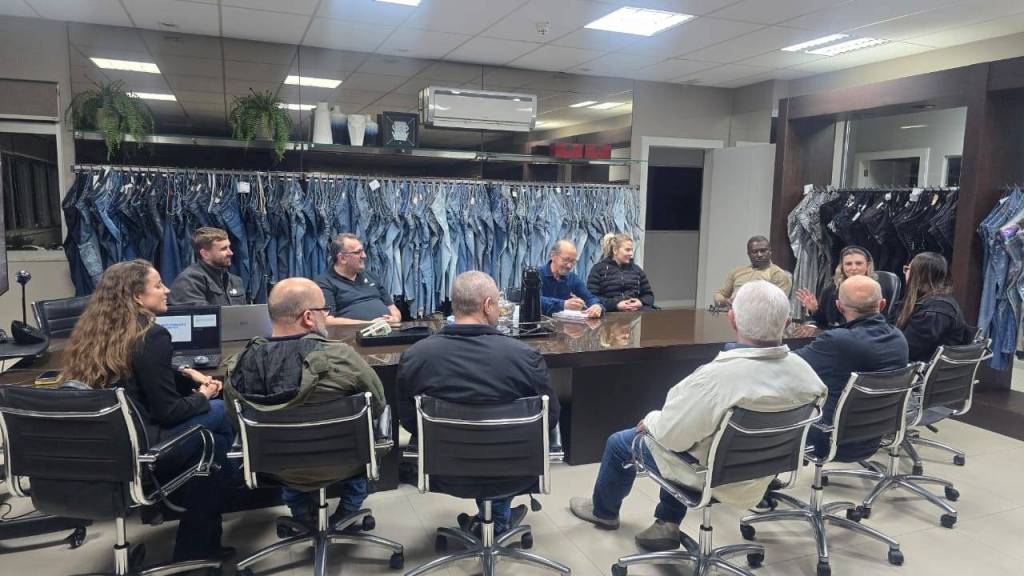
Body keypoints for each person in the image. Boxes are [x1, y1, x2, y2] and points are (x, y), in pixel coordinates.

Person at [569, 281, 826, 552]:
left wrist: (651, 420)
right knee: (698, 435)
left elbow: (670, 436)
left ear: (732, 318)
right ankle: (666, 522)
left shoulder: (714, 379)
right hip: (761, 476)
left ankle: (603, 512)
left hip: (711, 476)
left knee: (623, 443)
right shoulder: (807, 375)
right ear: (787, 322)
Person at [60, 259, 233, 565]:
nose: (167, 290)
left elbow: (134, 375)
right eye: (158, 285)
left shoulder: (94, 332)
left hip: (108, 447)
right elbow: (169, 412)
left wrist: (184, 372)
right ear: (138, 297)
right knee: (220, 414)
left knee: (212, 449)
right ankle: (196, 546)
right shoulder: (152, 336)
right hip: (146, 449)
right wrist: (204, 394)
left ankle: (195, 541)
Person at [397, 271, 560, 536]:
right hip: (513, 467)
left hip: (446, 468)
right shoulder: (525, 357)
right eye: (498, 303)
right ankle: (498, 520)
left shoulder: (416, 356)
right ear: (487, 305)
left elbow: (408, 420)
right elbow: (549, 418)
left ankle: (495, 520)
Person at [223, 277, 386, 527]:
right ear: (309, 317)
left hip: (276, 467)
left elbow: (238, 422)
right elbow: (377, 404)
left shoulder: (240, 366)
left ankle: (302, 517)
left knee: (281, 441)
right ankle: (347, 513)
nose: (326, 316)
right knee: (362, 430)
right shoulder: (343, 357)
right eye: (324, 310)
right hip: (345, 463)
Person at [795, 275, 909, 460]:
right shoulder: (899, 338)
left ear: (839, 307)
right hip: (876, 433)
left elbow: (789, 365)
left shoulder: (837, 341)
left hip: (828, 437)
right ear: (882, 304)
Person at [892, 252, 974, 362]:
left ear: (920, 274)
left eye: (908, 269)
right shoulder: (926, 302)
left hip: (918, 368)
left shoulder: (935, 311)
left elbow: (907, 349)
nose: (905, 273)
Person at [315, 233, 402, 325]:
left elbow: (392, 308)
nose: (364, 256)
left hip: (389, 329)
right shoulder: (324, 282)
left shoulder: (370, 275)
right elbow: (326, 321)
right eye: (358, 252)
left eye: (363, 251)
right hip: (354, 333)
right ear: (342, 258)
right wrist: (368, 324)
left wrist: (395, 318)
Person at [795, 246, 875, 329]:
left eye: (858, 263)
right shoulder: (830, 291)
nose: (853, 268)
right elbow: (823, 322)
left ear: (868, 265)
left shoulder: (877, 289)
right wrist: (814, 309)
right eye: (848, 264)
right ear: (842, 267)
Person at [169, 227, 246, 306]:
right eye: (224, 249)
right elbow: (199, 313)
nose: (230, 253)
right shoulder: (189, 281)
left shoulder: (235, 281)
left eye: (229, 247)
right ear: (205, 254)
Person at [713, 236, 792, 307]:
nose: (759, 255)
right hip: (732, 313)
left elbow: (778, 304)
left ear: (770, 251)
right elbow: (719, 294)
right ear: (749, 254)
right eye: (755, 252)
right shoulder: (737, 272)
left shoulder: (777, 274)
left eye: (763, 251)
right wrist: (724, 301)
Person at [587, 233, 656, 312]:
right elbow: (592, 297)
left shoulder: (637, 270)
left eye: (632, 250)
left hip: (635, 314)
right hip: (610, 314)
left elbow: (649, 295)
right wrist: (615, 305)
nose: (631, 254)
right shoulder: (598, 269)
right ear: (615, 250)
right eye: (627, 250)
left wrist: (640, 302)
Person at [540, 239, 604, 318]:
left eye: (573, 261)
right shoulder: (536, 275)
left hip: (564, 324)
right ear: (553, 256)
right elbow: (534, 301)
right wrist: (563, 304)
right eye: (566, 260)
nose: (569, 266)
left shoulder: (573, 278)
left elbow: (590, 298)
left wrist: (597, 306)